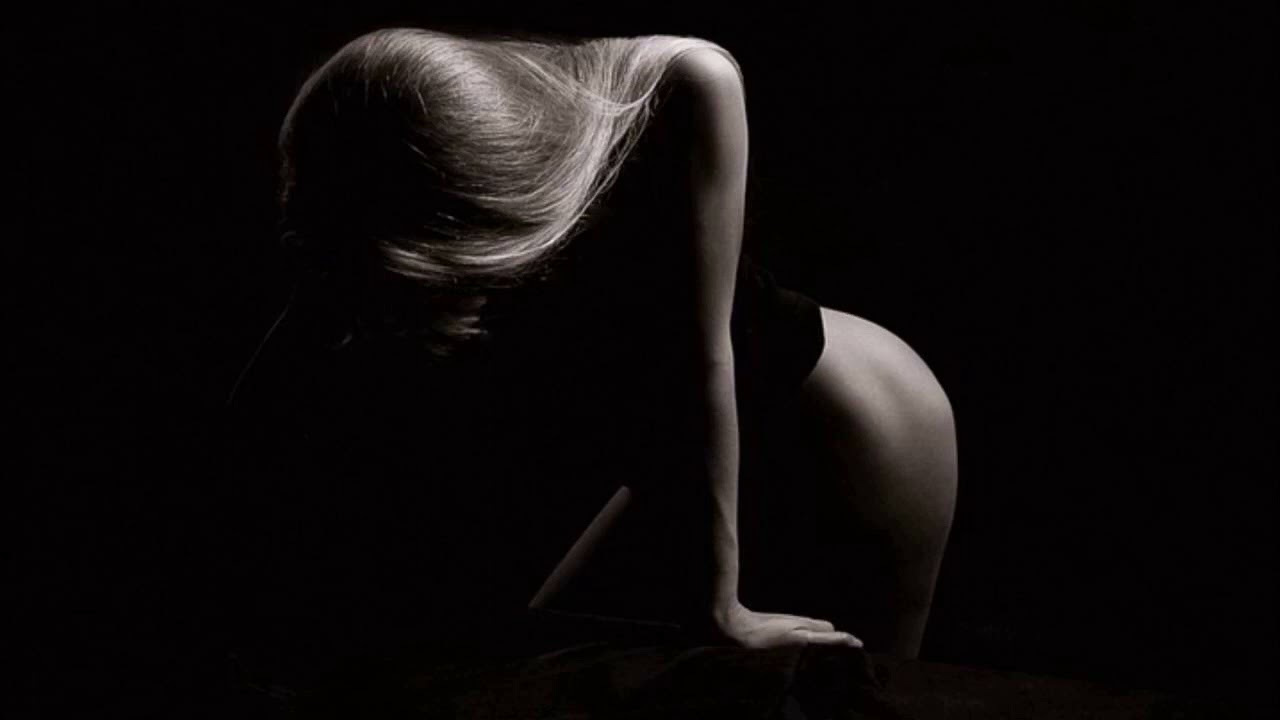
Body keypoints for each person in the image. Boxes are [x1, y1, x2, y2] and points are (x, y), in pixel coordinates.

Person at [220, 27, 957, 685]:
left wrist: (719, 605)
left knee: (867, 693)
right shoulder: (370, 163)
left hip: (847, 419)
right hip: (673, 446)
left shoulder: (686, 87)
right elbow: (272, 395)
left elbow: (706, 362)